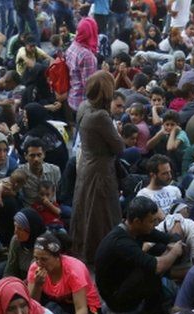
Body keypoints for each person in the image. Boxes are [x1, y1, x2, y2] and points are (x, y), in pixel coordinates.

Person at [94, 196, 185, 314]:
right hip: (116, 301)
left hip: (124, 279)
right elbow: (158, 266)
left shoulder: (139, 229)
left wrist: (175, 241)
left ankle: (158, 297)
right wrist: (174, 252)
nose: (155, 225)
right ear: (137, 221)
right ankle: (159, 313)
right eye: (151, 221)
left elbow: (168, 238)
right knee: (150, 270)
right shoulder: (120, 242)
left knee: (158, 249)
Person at [71, 71, 125, 264]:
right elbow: (119, 147)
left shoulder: (84, 107)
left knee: (86, 211)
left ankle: (84, 251)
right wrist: (117, 133)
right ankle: (103, 254)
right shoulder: (100, 116)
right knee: (102, 216)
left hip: (86, 165)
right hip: (101, 171)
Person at [27, 231, 103, 314]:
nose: (39, 263)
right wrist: (38, 285)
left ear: (57, 257)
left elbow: (81, 308)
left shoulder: (74, 270)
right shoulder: (35, 268)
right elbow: (32, 303)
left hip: (84, 305)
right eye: (36, 258)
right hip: (57, 301)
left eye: (44, 259)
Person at [66, 18, 99, 114]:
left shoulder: (73, 46)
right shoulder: (86, 55)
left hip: (73, 98)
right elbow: (89, 85)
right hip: (83, 104)